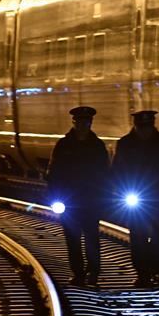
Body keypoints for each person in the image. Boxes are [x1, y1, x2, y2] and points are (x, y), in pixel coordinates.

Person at [112, 110, 159, 288]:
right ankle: (142, 272)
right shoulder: (125, 143)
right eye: (142, 127)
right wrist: (120, 188)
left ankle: (158, 268)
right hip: (137, 194)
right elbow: (117, 168)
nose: (145, 130)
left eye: (148, 126)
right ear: (136, 126)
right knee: (138, 235)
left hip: (157, 195)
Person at [46, 106, 109, 286]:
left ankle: (93, 272)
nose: (83, 125)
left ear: (90, 123)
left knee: (91, 238)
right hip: (70, 200)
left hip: (91, 200)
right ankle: (79, 273)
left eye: (86, 122)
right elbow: (53, 172)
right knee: (73, 239)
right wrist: (54, 196)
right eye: (80, 121)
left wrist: (103, 196)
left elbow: (105, 173)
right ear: (74, 122)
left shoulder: (97, 146)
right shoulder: (63, 145)